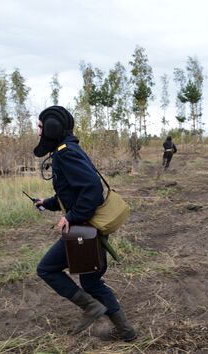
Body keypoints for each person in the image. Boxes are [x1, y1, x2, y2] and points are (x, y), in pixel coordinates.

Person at [32, 106, 136, 341]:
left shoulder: (65, 152)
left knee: (46, 269)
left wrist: (69, 217)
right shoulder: (67, 149)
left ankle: (91, 307)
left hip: (85, 229)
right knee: (91, 281)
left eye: (40, 126)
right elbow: (73, 192)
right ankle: (126, 331)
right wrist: (47, 203)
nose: (38, 132)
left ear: (51, 128)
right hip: (89, 227)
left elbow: (91, 191)